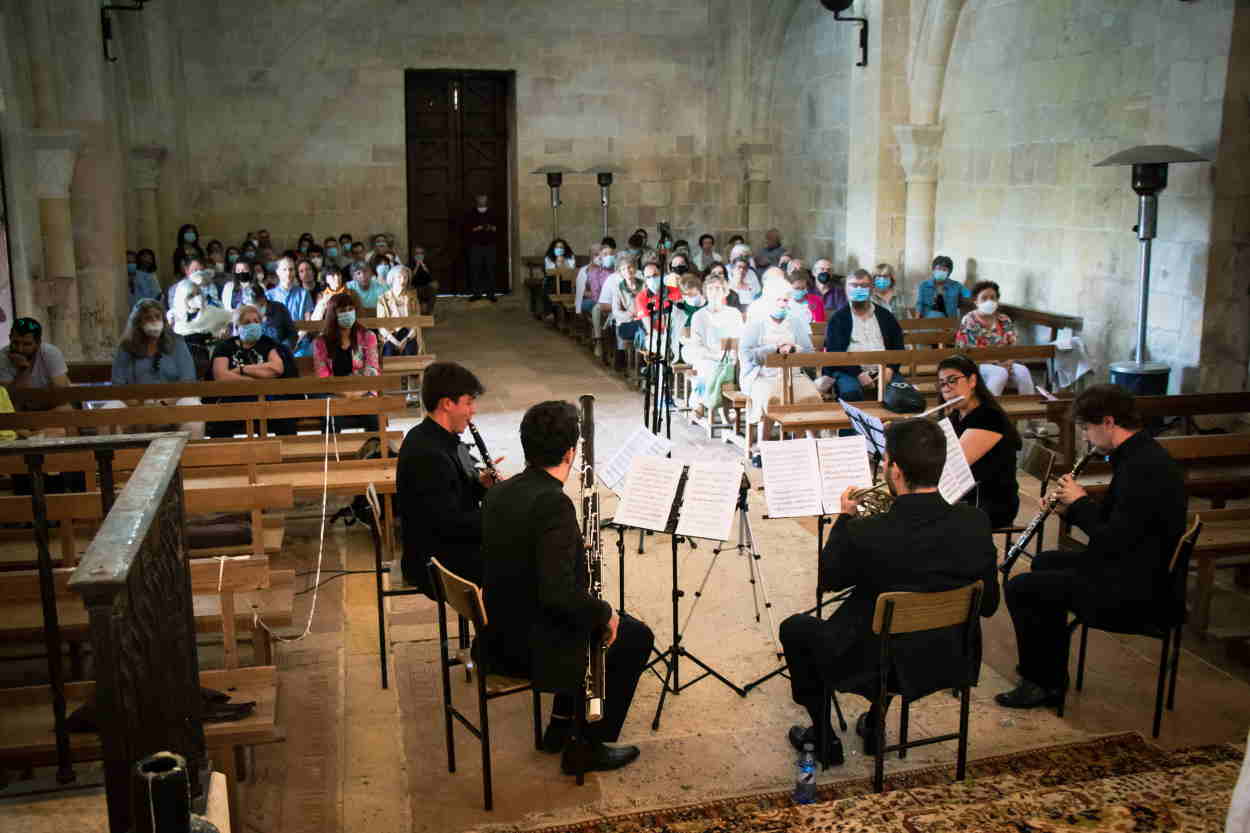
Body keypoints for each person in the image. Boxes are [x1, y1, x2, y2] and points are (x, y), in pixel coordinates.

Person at [779, 418, 1000, 764]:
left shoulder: (866, 531)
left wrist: (844, 520)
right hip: (949, 656)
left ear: (895, 470)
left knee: (795, 629)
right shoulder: (975, 522)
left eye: (883, 461)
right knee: (896, 627)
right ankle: (875, 724)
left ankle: (823, 738)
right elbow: (988, 605)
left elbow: (828, 581)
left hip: (878, 663)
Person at [479, 400, 653, 774]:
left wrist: (571, 547)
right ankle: (587, 745)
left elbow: (523, 554)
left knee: (584, 613)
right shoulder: (553, 505)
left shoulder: (501, 492)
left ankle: (560, 725)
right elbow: (557, 596)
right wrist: (605, 614)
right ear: (571, 452)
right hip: (530, 646)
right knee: (634, 636)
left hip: (499, 630)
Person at [996, 384, 1186, 709]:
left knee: (1021, 588)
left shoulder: (1144, 469)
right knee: (1045, 563)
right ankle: (1051, 673)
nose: (1085, 436)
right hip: (1131, 566)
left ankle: (1041, 681)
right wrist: (1069, 506)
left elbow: (1112, 538)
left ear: (1108, 422)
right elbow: (1121, 525)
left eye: (1086, 427)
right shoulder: (1138, 455)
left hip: (1136, 592)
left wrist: (1080, 503)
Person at [397, 362, 496, 592]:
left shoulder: (441, 439)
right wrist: (499, 518)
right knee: (520, 567)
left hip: (447, 549)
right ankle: (498, 626)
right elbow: (450, 524)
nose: (473, 411)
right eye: (468, 403)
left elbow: (453, 495)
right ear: (447, 404)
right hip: (435, 564)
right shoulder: (428, 453)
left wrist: (480, 485)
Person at [937, 355, 1023, 528]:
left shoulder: (989, 418)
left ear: (972, 380)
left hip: (989, 502)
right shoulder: (956, 416)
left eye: (953, 380)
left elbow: (953, 464)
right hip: (965, 496)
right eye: (942, 383)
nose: (946, 388)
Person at [103, 300, 204, 439]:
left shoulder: (177, 343)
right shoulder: (126, 348)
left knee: (192, 406)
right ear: (138, 322)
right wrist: (140, 406)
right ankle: (114, 459)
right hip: (135, 404)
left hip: (172, 402)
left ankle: (192, 457)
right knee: (109, 410)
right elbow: (118, 384)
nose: (154, 321)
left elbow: (188, 381)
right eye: (148, 318)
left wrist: (163, 404)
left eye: (158, 317)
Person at [739, 273, 820, 437]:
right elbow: (746, 354)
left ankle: (811, 444)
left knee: (813, 397)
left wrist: (795, 349)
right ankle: (764, 446)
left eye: (785, 300)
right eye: (778, 300)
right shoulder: (756, 323)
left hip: (794, 375)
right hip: (762, 375)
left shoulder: (796, 322)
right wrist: (773, 349)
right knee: (772, 399)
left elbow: (810, 352)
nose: (782, 304)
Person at [205, 303, 296, 438]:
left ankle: (285, 453)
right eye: (247, 322)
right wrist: (256, 379)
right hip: (233, 397)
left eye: (256, 321)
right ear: (237, 327)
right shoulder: (225, 347)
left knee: (285, 416)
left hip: (266, 398)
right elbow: (221, 376)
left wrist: (241, 369)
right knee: (220, 419)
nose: (253, 325)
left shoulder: (268, 343)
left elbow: (276, 368)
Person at [817, 270, 904, 401]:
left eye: (864, 286)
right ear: (846, 289)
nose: (858, 289)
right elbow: (836, 353)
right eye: (853, 285)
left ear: (872, 288)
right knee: (851, 394)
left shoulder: (886, 316)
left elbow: (898, 347)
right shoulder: (838, 318)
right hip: (848, 370)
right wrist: (859, 373)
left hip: (883, 369)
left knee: (902, 398)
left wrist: (890, 369)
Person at [313, 293, 381, 433]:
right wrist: (346, 393)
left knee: (373, 417)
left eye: (350, 309)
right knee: (333, 417)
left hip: (363, 390)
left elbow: (372, 369)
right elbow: (323, 376)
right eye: (342, 311)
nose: (348, 313)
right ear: (333, 314)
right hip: (332, 392)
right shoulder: (321, 342)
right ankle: (332, 454)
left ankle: (375, 451)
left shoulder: (368, 336)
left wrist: (358, 392)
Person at [956, 280, 1035, 396]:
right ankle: (988, 410)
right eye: (984, 298)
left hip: (1004, 362)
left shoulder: (1004, 320)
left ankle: (1030, 409)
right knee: (999, 373)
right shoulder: (969, 320)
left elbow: (1012, 346)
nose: (989, 301)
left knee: (1023, 372)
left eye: (993, 298)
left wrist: (1009, 362)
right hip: (977, 363)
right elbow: (967, 352)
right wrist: (996, 363)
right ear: (975, 301)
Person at [683, 274, 742, 419]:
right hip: (706, 356)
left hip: (728, 356)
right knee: (710, 367)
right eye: (710, 289)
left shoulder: (733, 313)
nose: (714, 292)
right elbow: (697, 345)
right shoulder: (699, 316)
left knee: (732, 367)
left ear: (725, 291)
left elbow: (739, 339)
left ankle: (720, 404)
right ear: (705, 292)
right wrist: (714, 355)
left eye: (717, 288)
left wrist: (731, 354)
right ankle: (705, 402)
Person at [268, 256, 316, 355]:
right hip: (276, 343)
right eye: (284, 269)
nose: (288, 273)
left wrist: (296, 341)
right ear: (278, 272)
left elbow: (308, 321)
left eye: (291, 269)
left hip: (300, 342)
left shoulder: (304, 294)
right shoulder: (269, 295)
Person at [376, 265, 423, 357]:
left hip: (408, 335)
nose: (403, 280)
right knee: (389, 351)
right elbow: (381, 327)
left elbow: (416, 323)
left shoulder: (412, 298)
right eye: (399, 277)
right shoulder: (383, 299)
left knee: (410, 351)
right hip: (390, 335)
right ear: (392, 279)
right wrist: (396, 342)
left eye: (405, 277)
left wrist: (406, 339)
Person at [466, 194, 499, 302]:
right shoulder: (471, 214)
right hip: (475, 246)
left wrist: (490, 227)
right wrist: (476, 228)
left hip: (490, 245)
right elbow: (467, 229)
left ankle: (491, 294)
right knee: (475, 270)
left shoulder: (492, 213)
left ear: (487, 200)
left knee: (490, 269)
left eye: (484, 198)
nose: (482, 200)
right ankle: (476, 293)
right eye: (480, 199)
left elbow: (497, 228)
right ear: (476, 200)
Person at [610, 256, 645, 351]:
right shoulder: (618, 288)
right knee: (642, 328)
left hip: (644, 319)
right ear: (620, 272)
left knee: (646, 326)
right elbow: (616, 311)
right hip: (627, 322)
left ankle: (645, 357)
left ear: (635, 268)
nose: (627, 271)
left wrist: (642, 316)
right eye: (623, 269)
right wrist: (631, 315)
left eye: (630, 267)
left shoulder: (644, 285)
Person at [539, 238, 576, 317]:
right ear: (553, 249)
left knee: (563, 284)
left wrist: (564, 263)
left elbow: (571, 271)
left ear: (565, 249)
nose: (559, 249)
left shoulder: (570, 257)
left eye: (561, 247)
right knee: (550, 286)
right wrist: (557, 263)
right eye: (557, 247)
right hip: (552, 280)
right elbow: (550, 272)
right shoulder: (548, 258)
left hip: (566, 281)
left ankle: (563, 313)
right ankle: (550, 313)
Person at [409, 244, 437, 314]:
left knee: (433, 288)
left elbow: (432, 277)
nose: (419, 255)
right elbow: (409, 277)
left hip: (426, 286)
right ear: (414, 255)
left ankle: (430, 312)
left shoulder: (428, 263)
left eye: (421, 253)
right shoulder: (410, 263)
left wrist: (424, 267)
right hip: (415, 286)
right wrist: (417, 267)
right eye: (417, 253)